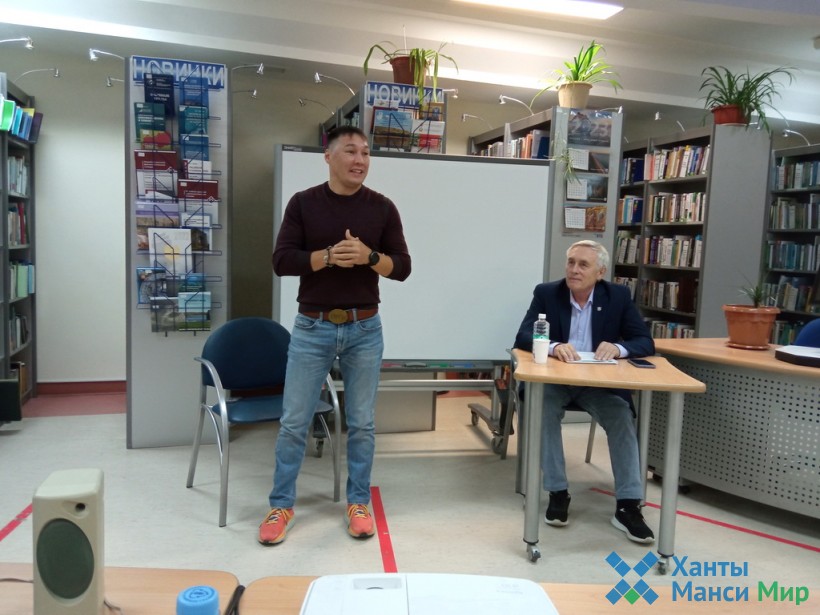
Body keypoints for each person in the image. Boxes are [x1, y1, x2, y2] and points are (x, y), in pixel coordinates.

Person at [261, 126, 411, 545]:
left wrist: (369, 256)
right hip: (312, 327)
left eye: (365, 153)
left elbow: (402, 267)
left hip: (365, 328)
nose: (359, 160)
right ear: (328, 157)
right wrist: (327, 257)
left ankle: (358, 502)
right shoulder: (303, 203)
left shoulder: (382, 207)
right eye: (350, 151)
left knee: (362, 424)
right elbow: (281, 261)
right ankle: (281, 505)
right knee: (294, 422)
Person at [513, 239, 655, 544]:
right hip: (554, 382)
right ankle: (558, 492)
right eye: (571, 262)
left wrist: (618, 348)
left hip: (597, 384)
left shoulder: (617, 296)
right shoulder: (547, 293)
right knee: (542, 409)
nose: (574, 270)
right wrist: (553, 346)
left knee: (621, 416)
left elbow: (644, 341)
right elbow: (523, 335)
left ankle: (628, 505)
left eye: (583, 264)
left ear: (600, 272)